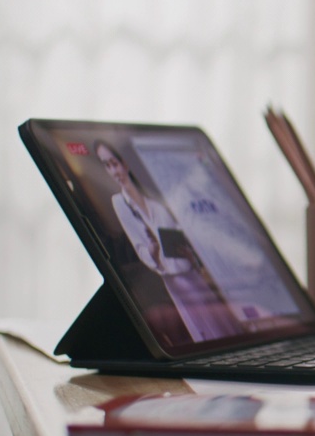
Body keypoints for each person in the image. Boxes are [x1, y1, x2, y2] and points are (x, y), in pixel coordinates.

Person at [94, 140, 242, 343]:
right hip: (175, 279)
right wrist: (153, 252)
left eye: (114, 163)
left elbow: (181, 238)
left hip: (191, 273)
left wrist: (190, 255)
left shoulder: (157, 206)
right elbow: (141, 247)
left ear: (125, 164)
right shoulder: (119, 203)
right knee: (205, 329)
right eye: (107, 165)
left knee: (222, 328)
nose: (113, 170)